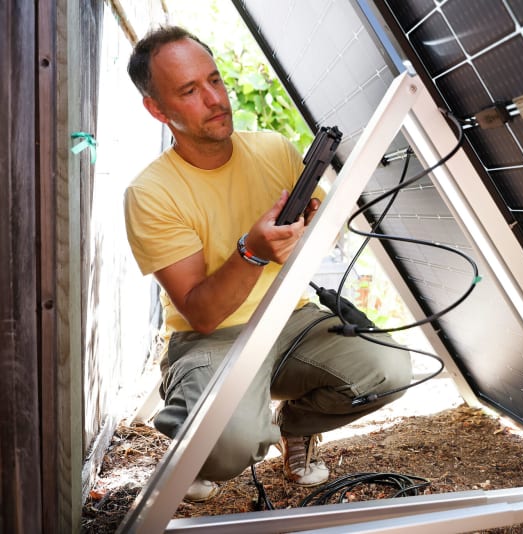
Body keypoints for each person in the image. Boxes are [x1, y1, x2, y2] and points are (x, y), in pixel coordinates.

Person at [123, 25, 412, 502]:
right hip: (213, 336)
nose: (215, 98)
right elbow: (201, 312)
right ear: (157, 109)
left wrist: (317, 226)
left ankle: (294, 426)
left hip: (291, 316)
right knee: (224, 452)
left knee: (389, 371)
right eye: (190, 91)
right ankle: (197, 419)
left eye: (215, 80)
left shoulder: (274, 149)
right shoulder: (150, 193)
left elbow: (316, 244)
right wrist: (252, 252)